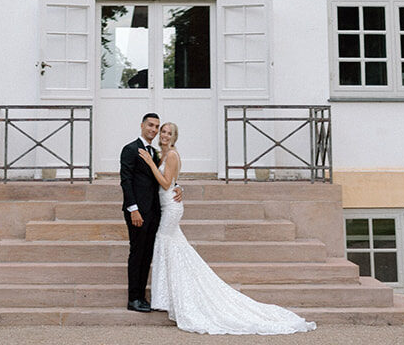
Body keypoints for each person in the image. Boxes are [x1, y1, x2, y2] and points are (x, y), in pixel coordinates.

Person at [139, 122, 316, 335]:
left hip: (171, 207)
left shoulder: (172, 155)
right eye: (163, 132)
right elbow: (172, 182)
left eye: (169, 133)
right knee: (173, 246)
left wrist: (150, 164)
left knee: (167, 243)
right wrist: (177, 185)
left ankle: (174, 296)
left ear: (175, 137)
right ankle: (170, 295)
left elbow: (167, 184)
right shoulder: (162, 154)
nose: (165, 135)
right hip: (167, 204)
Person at [119, 111, 180, 311]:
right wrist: (133, 209)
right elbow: (126, 182)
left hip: (155, 212)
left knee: (147, 254)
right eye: (151, 126)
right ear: (142, 125)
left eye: (157, 127)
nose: (154, 130)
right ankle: (133, 298)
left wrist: (179, 187)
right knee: (137, 253)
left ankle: (142, 297)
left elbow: (165, 178)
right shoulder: (130, 149)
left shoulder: (155, 153)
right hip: (138, 212)